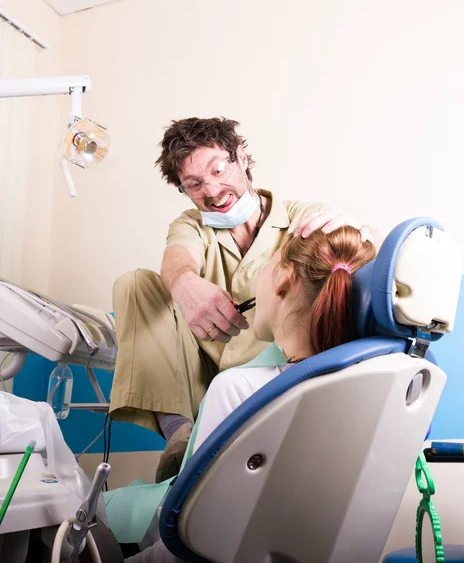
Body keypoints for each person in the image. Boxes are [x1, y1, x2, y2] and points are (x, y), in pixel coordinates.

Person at [108, 116, 380, 483]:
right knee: (135, 283)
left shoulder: (302, 218)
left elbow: (353, 248)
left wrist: (364, 231)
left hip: (275, 367)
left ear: (242, 158)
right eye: (195, 184)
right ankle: (177, 433)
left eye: (218, 169)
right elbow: (178, 255)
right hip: (201, 368)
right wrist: (184, 282)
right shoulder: (191, 224)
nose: (213, 190)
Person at [124, 225, 377, 563]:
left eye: (264, 268)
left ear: (284, 278)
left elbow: (193, 544)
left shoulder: (238, 389)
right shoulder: (371, 386)